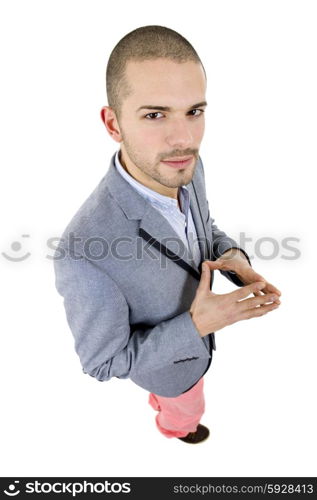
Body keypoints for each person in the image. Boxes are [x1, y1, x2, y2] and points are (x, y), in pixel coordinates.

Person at [53, 25, 281, 444]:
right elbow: (102, 363)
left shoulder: (184, 164)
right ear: (113, 123)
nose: (184, 138)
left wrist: (232, 258)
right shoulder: (82, 253)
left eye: (194, 111)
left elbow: (203, 225)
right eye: (155, 114)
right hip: (171, 373)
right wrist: (195, 326)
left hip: (198, 346)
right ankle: (174, 425)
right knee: (187, 408)